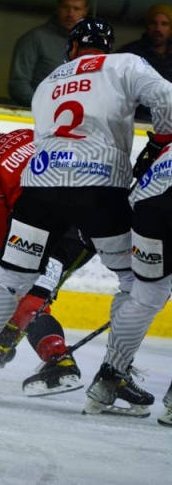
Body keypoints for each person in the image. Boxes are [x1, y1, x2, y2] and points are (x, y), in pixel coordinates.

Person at [0, 17, 172, 417]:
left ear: (70, 48)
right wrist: (159, 143)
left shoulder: (47, 82)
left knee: (15, 274)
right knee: (133, 283)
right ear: (108, 46)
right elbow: (167, 100)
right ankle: (112, 373)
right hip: (101, 191)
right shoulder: (124, 64)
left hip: (40, 191)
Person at [0, 114, 95, 395]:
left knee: (20, 288)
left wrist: (2, 247)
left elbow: (3, 239)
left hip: (52, 223)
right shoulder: (23, 134)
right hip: (93, 215)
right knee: (35, 294)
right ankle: (11, 344)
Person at [83, 125, 172, 418]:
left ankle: (109, 379)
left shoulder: (167, 150)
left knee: (142, 295)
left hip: (147, 213)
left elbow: (139, 186)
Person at [8, 0, 90, 107]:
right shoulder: (35, 39)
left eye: (77, 9)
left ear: (85, 11)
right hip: (40, 119)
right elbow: (18, 84)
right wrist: (46, 108)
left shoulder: (93, 45)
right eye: (65, 7)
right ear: (58, 7)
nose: (70, 14)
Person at [117, 3, 172, 120]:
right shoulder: (130, 53)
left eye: (164, 24)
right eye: (154, 23)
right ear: (147, 25)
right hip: (135, 121)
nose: (158, 29)